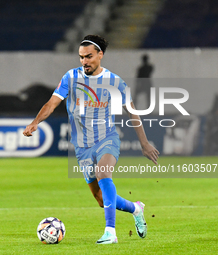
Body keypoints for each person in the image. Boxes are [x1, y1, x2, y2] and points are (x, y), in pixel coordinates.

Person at [23, 35, 159, 244]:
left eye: (88, 57)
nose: (84, 61)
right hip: (82, 146)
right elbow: (52, 103)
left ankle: (110, 232)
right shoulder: (70, 77)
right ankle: (135, 208)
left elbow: (132, 112)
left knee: (103, 172)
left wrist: (144, 143)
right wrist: (35, 122)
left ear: (100, 55)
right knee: (101, 199)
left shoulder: (115, 82)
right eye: (81, 57)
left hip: (107, 139)